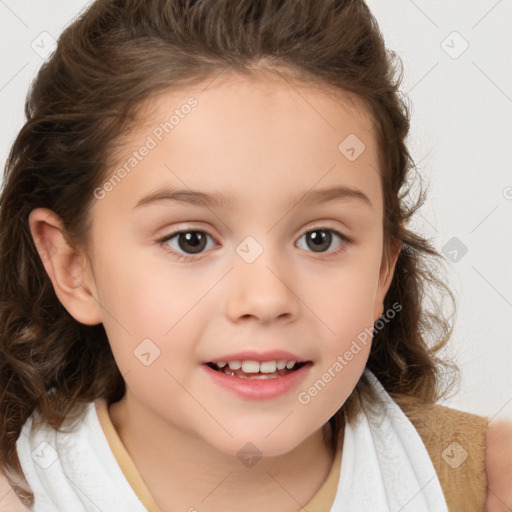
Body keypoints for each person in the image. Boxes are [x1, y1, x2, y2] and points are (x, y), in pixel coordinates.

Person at [0, 0, 511, 511]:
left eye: (320, 239)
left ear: (382, 269)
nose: (266, 298)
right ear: (74, 268)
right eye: (191, 240)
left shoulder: (485, 482)